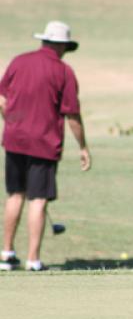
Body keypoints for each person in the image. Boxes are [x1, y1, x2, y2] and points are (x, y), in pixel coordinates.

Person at [0, 21, 91, 271]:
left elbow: (2, 98)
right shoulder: (64, 72)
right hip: (44, 143)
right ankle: (33, 259)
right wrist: (83, 147)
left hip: (14, 140)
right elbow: (72, 116)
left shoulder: (19, 61)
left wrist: (11, 123)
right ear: (62, 45)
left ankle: (6, 254)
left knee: (15, 195)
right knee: (38, 200)